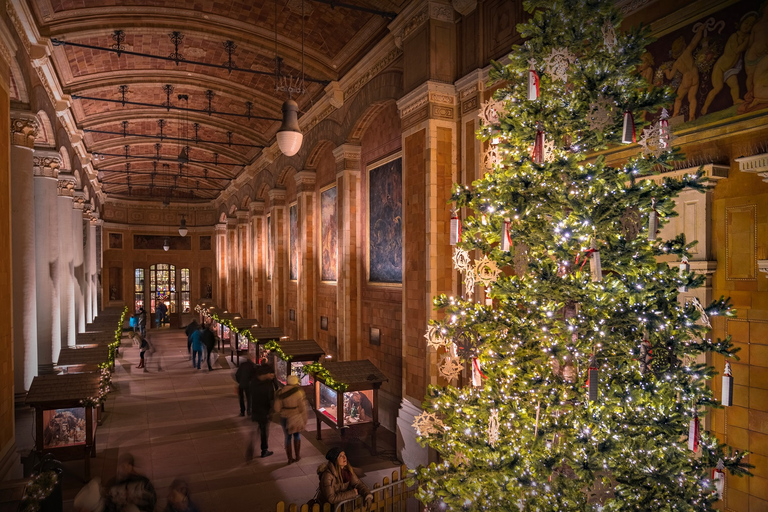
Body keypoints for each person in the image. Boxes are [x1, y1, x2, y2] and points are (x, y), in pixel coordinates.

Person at [274, 374, 308, 463]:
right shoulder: (299, 392)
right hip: (295, 417)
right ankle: (297, 456)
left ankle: (289, 458)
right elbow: (303, 408)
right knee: (297, 436)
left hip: (284, 417)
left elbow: (277, 408)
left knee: (287, 437)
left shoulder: (280, 392)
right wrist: (304, 420)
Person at [246, 364, 276, 459]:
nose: (273, 376)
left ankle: (252, 446)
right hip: (263, 411)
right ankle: (264, 450)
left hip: (255, 410)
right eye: (271, 374)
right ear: (266, 373)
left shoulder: (255, 381)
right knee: (263, 431)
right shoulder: (266, 385)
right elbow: (270, 399)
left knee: (258, 429)